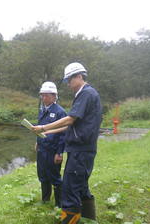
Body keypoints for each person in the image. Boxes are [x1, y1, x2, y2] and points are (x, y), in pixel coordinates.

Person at [32, 62, 102, 224]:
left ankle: (70, 221)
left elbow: (70, 119)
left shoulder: (86, 94)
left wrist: (43, 126)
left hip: (80, 151)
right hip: (83, 150)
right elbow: (71, 125)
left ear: (79, 76)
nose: (68, 84)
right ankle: (89, 219)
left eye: (69, 80)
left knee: (69, 191)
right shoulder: (86, 94)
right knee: (82, 187)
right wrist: (46, 132)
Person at [35, 81, 67, 208]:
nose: (43, 98)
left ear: (54, 96)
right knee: (42, 175)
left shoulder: (60, 112)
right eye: (42, 95)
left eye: (46, 95)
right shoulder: (42, 110)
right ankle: (45, 200)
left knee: (55, 178)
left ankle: (59, 204)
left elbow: (63, 134)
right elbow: (40, 128)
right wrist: (37, 142)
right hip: (42, 150)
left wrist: (59, 153)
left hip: (53, 151)